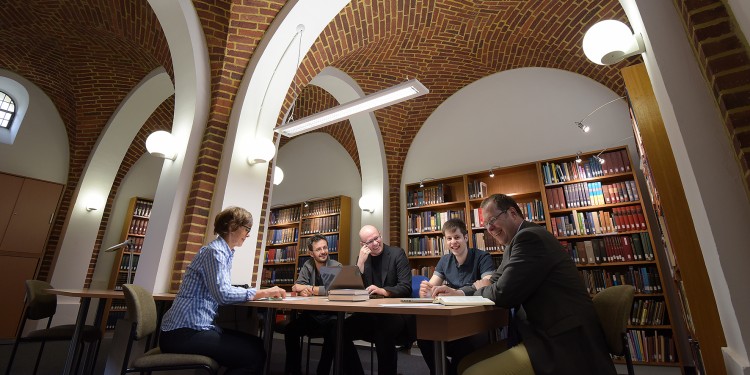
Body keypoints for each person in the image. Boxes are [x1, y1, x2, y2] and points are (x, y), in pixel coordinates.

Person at [437, 194, 616, 375]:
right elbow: (494, 281)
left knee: (471, 371)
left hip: (562, 339)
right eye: (485, 224)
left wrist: (482, 287)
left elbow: (502, 293)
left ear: (512, 213)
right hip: (543, 332)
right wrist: (458, 293)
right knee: (464, 362)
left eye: (493, 220)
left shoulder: (529, 239)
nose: (490, 228)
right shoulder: (515, 243)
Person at [159, 206, 286, 375]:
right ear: (232, 226)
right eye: (247, 229)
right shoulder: (215, 252)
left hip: (195, 328)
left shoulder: (223, 252)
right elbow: (223, 294)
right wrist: (266, 292)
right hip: (182, 332)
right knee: (253, 356)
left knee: (256, 344)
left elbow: (221, 289)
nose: (248, 234)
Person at [322, 225, 412, 375]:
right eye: (370, 242)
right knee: (337, 330)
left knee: (382, 331)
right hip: (370, 313)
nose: (375, 243)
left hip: (394, 313)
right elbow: (355, 290)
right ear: (362, 245)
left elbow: (406, 287)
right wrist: (359, 265)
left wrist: (383, 291)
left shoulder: (397, 254)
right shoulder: (363, 259)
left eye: (377, 238)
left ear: (380, 235)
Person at [417, 218, 495, 375]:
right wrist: (426, 291)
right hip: (452, 319)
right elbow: (432, 287)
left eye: (457, 237)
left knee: (464, 343)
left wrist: (458, 292)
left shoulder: (482, 257)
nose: (453, 242)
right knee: (424, 338)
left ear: (466, 237)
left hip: (476, 321)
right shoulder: (445, 260)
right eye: (449, 238)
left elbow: (487, 284)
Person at [284, 234, 341, 375]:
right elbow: (296, 286)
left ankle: (322, 372)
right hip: (311, 315)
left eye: (325, 247)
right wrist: (302, 290)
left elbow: (333, 290)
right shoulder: (308, 264)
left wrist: (311, 289)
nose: (323, 252)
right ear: (311, 253)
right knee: (290, 330)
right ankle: (293, 371)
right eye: (318, 249)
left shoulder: (336, 266)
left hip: (330, 316)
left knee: (334, 332)